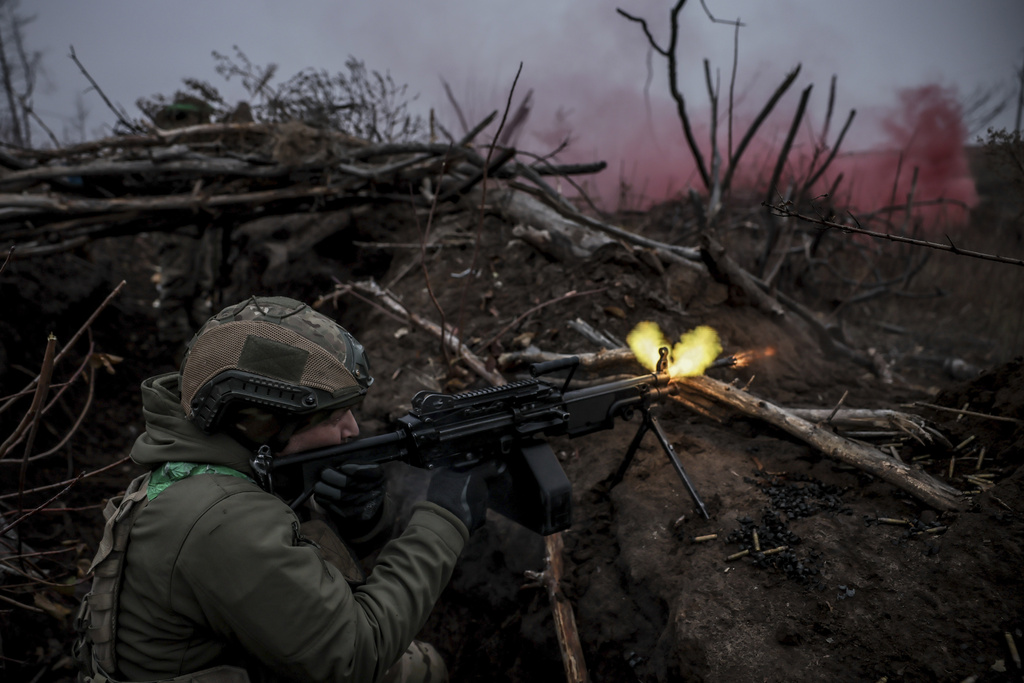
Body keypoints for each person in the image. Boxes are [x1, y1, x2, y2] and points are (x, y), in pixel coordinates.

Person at [73, 296, 488, 683]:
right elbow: (355, 653)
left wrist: (358, 519)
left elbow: (286, 569)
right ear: (262, 424)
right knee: (422, 670)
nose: (352, 430)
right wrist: (443, 519)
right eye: (332, 417)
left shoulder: (198, 474)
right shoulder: (222, 518)